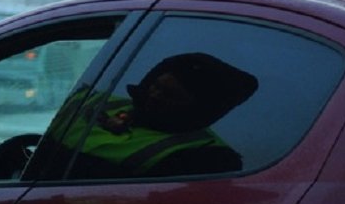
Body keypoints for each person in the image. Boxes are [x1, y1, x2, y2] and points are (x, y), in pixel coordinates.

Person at [59, 52, 258, 179]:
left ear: (199, 109)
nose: (154, 95)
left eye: (171, 95)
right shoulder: (95, 101)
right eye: (155, 86)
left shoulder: (207, 158)